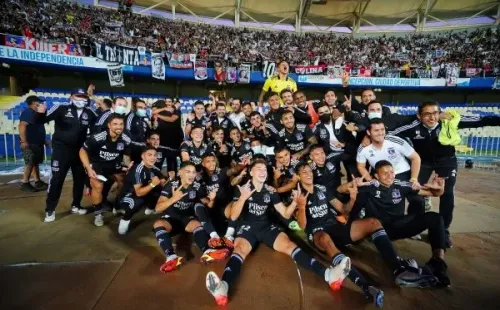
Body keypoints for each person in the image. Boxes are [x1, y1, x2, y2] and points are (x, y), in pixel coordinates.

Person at [205, 160, 351, 306]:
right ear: (251, 172)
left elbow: (286, 214)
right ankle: (222, 288)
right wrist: (243, 197)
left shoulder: (270, 191)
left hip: (265, 226)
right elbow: (234, 216)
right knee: (239, 250)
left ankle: (329, 275)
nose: (263, 171)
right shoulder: (242, 189)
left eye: (264, 169)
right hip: (247, 227)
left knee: (289, 245)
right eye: (258, 169)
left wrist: (295, 202)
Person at [294, 163, 437, 305]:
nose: (308, 174)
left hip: (335, 227)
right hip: (317, 232)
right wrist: (301, 206)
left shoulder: (322, 189)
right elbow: (302, 225)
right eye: (304, 172)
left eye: (309, 171)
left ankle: (398, 270)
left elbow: (344, 209)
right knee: (325, 238)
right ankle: (366, 287)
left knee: (373, 222)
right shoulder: (295, 194)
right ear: (298, 176)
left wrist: (353, 198)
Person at [389, 101, 500, 248]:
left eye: (435, 113)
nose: (432, 117)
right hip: (423, 162)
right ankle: (415, 224)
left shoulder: (449, 121)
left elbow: (481, 120)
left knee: (447, 194)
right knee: (413, 191)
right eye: (427, 114)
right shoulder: (413, 126)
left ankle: (443, 230)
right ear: (419, 116)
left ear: (440, 113)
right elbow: (389, 133)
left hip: (447, 161)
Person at [344, 160, 450, 287]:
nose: (389, 175)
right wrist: (351, 186)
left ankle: (438, 262)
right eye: (384, 173)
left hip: (398, 226)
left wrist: (440, 187)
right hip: (378, 230)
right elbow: (343, 191)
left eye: (391, 172)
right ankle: (399, 269)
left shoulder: (401, 185)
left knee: (435, 218)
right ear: (376, 176)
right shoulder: (369, 187)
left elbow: (433, 193)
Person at [153, 161, 231, 273]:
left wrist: (211, 198)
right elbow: (157, 208)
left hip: (187, 219)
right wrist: (173, 199)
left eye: (194, 172)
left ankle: (207, 251)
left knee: (197, 224)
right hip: (171, 219)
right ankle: (171, 257)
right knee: (158, 224)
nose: (191, 175)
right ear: (180, 173)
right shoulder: (171, 185)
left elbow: (207, 204)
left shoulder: (197, 186)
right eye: (188, 171)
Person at [36, 88, 97, 222]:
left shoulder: (90, 112)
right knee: (57, 179)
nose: (81, 99)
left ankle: (76, 205)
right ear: (71, 97)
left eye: (83, 96)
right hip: (61, 151)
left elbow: (97, 129)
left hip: (80, 152)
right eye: (78, 96)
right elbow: (42, 119)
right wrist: (40, 114)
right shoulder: (61, 108)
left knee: (79, 180)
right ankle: (50, 210)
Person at [357, 118, 424, 216]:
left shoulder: (395, 141)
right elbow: (361, 166)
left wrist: (414, 179)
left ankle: (414, 224)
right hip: (381, 177)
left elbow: (415, 158)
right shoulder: (363, 148)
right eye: (376, 130)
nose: (380, 133)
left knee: (418, 201)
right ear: (368, 132)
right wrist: (370, 180)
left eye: (382, 129)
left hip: (403, 175)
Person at [79, 114, 132, 227]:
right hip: (97, 166)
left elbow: (126, 155)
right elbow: (82, 151)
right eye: (115, 124)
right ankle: (98, 214)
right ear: (109, 125)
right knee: (98, 186)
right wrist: (88, 168)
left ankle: (117, 205)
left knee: (124, 181)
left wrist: (129, 164)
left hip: (114, 165)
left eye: (121, 124)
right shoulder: (99, 137)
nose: (119, 127)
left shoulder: (125, 138)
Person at [117, 146, 168, 234]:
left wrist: (170, 180)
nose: (153, 158)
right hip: (127, 196)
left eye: (155, 155)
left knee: (162, 191)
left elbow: (163, 183)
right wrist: (152, 184)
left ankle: (150, 208)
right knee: (137, 202)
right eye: (149, 155)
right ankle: (125, 220)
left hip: (143, 193)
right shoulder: (138, 169)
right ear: (143, 156)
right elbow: (139, 193)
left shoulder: (154, 168)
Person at [19, 95, 48, 192]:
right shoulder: (28, 112)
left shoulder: (37, 114)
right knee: (30, 163)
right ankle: (25, 183)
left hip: (37, 143)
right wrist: (23, 141)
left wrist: (44, 141)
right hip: (30, 143)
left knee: (35, 163)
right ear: (33, 103)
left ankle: (37, 181)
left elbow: (37, 129)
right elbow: (22, 126)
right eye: (39, 102)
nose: (41, 103)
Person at [152, 99, 183, 178]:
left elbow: (172, 119)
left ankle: (172, 185)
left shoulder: (176, 111)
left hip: (173, 145)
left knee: (172, 168)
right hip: (161, 145)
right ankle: (155, 185)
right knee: (157, 166)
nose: (168, 104)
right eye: (166, 102)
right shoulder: (157, 114)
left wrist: (158, 115)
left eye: (170, 102)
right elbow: (153, 115)